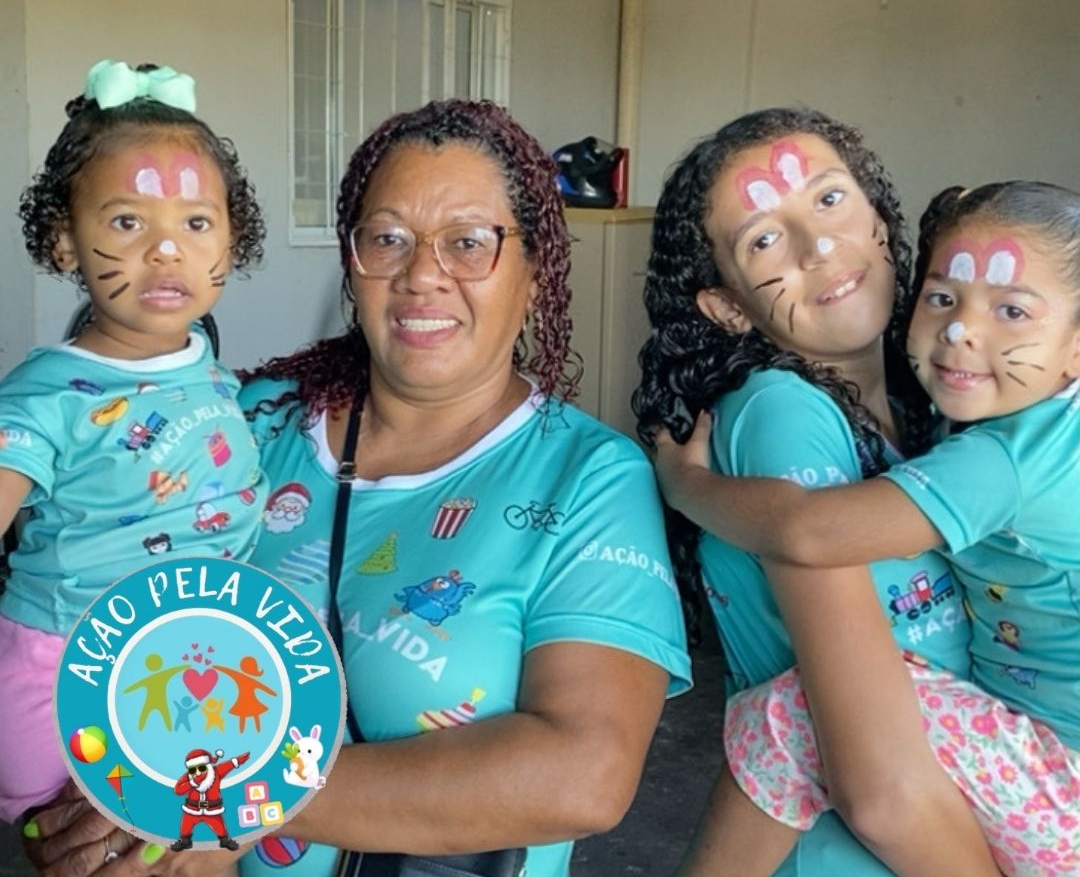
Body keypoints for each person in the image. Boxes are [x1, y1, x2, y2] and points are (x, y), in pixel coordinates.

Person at [26, 98, 692, 877]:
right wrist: (81, 820)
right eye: (388, 238)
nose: (422, 275)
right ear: (352, 262)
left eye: (468, 243)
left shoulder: (588, 477)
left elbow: (582, 772)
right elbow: (83, 607)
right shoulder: (243, 424)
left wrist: (226, 802)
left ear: (536, 271)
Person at [657, 180, 1080, 875]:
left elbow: (809, 533)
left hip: (1061, 790)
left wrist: (686, 486)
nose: (962, 330)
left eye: (1012, 310)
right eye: (942, 298)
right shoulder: (1035, 421)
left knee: (798, 712)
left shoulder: (1003, 460)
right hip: (1043, 777)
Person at [0, 58, 267, 825]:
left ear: (230, 242)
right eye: (127, 222)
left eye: (196, 224)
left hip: (196, 659)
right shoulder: (46, 394)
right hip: (62, 672)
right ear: (63, 241)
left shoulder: (210, 370)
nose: (166, 250)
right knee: (84, 850)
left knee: (188, 843)